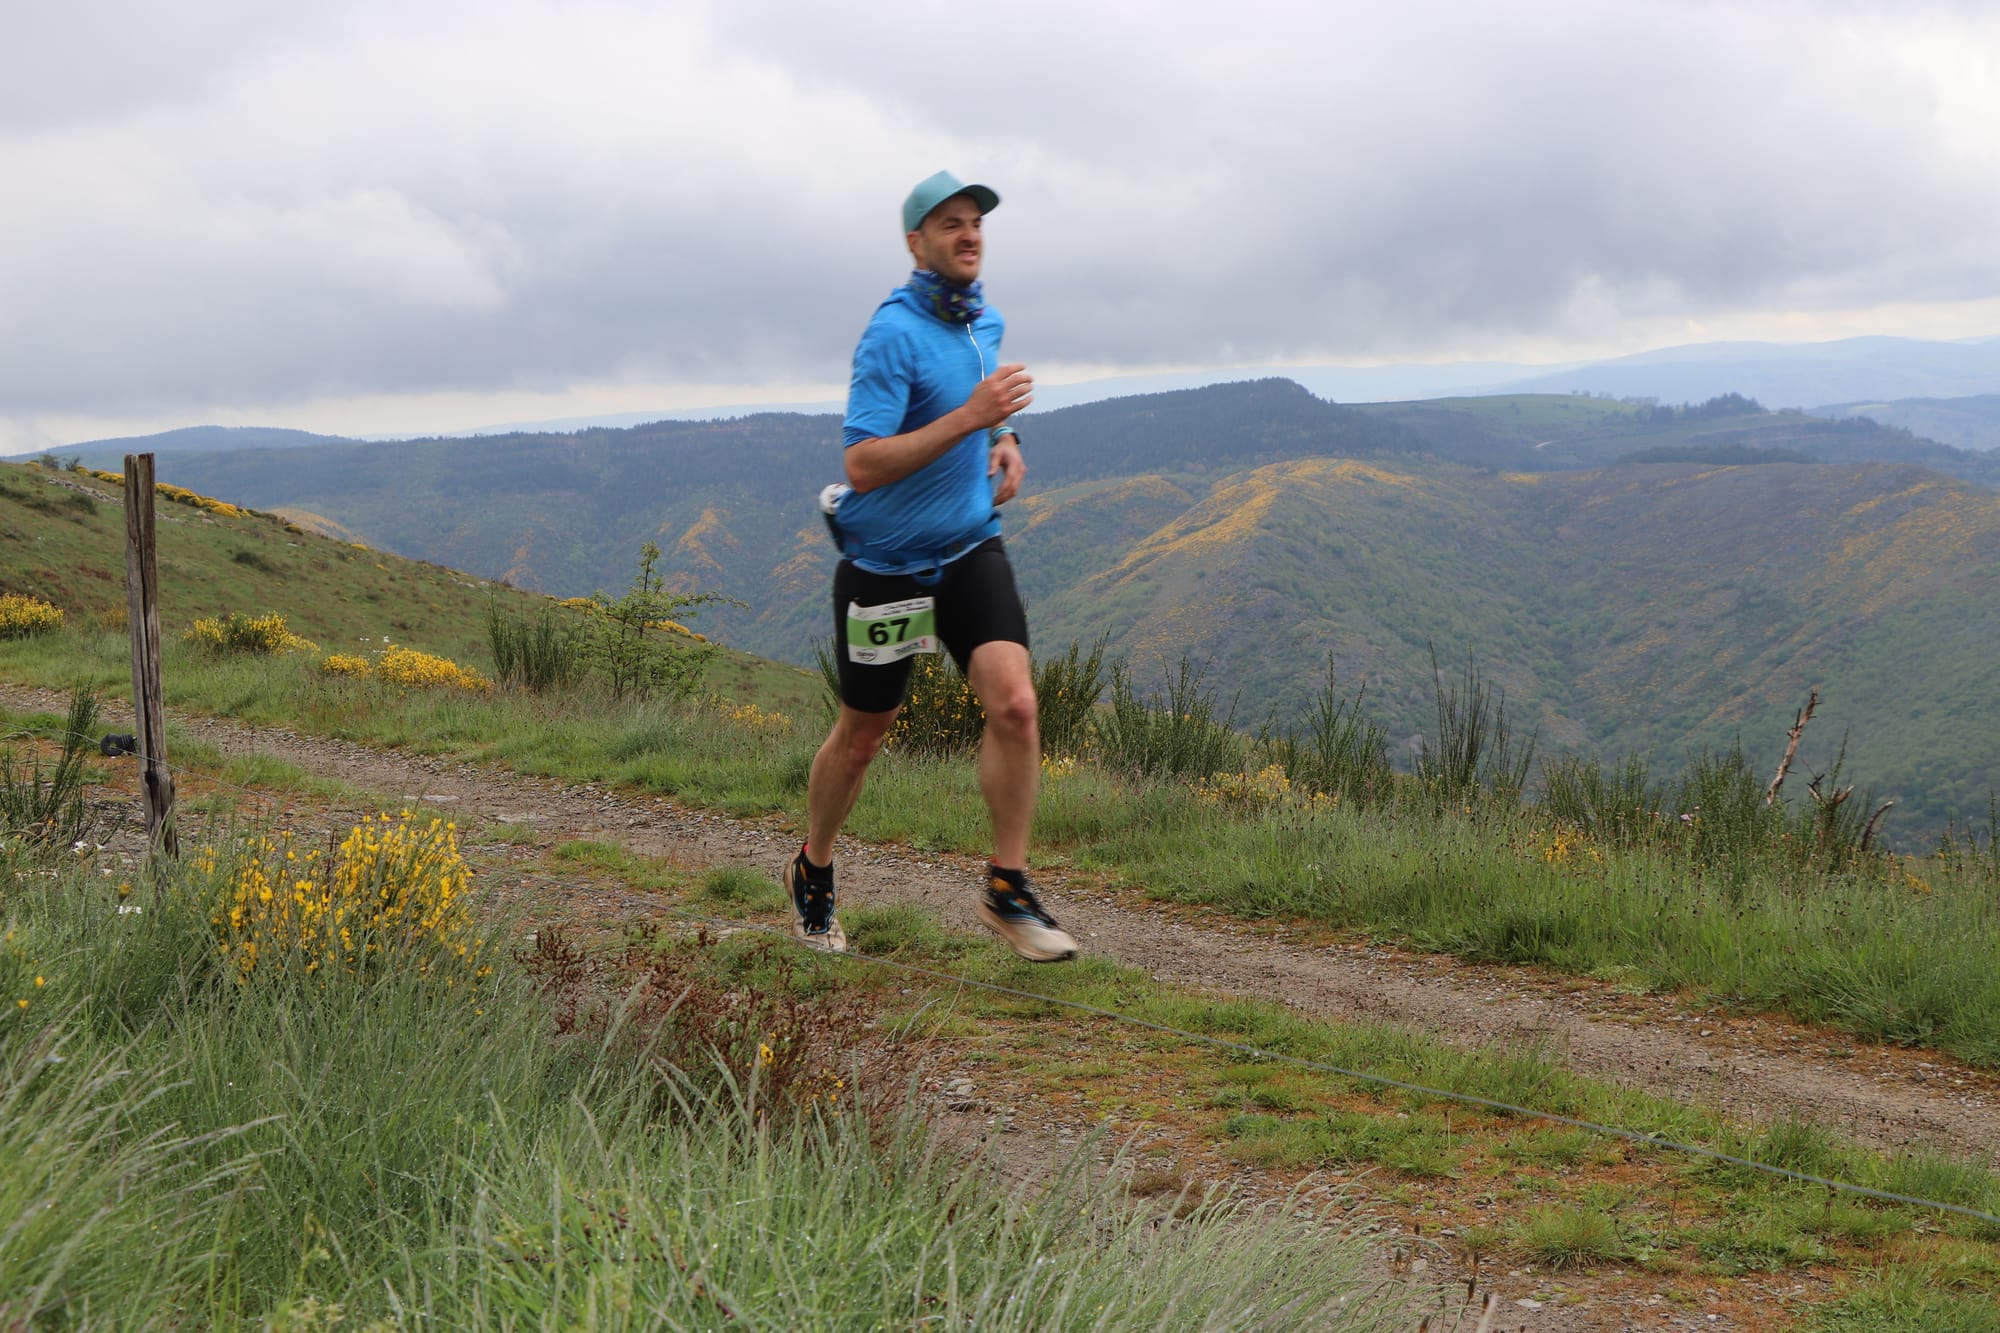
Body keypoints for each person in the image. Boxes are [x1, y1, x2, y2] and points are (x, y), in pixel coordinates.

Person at [789, 169, 1078, 963]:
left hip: (968, 547)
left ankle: (1007, 887)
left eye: (976, 222)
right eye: (949, 223)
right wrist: (975, 418)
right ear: (916, 242)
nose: (969, 233)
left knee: (1016, 706)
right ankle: (814, 869)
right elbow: (865, 463)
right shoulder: (891, 335)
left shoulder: (982, 319)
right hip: (886, 567)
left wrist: (1006, 441)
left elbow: (986, 410)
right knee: (862, 737)